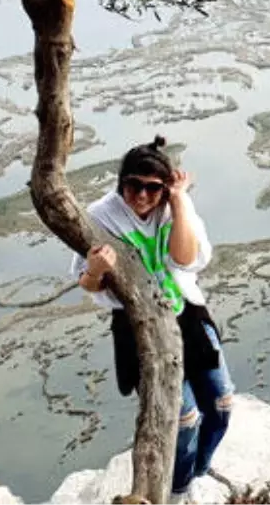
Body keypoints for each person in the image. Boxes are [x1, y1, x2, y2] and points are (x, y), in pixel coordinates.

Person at [71, 136, 232, 504]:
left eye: (152, 188)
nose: (142, 196)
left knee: (221, 404)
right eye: (133, 185)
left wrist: (178, 199)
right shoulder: (100, 216)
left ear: (164, 187)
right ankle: (177, 492)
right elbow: (87, 282)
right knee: (184, 419)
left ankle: (198, 474)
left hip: (184, 312)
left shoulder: (173, 206)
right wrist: (96, 270)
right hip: (137, 327)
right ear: (121, 182)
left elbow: (184, 259)